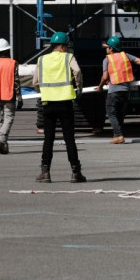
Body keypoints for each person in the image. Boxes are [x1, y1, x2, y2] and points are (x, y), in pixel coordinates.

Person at [32, 32, 86, 183]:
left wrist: (43, 92)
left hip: (48, 103)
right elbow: (77, 71)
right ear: (62, 46)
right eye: (67, 46)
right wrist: (79, 87)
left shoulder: (42, 59)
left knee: (48, 138)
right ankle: (76, 172)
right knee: (69, 138)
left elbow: (35, 81)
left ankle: (45, 172)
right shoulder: (68, 57)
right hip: (65, 103)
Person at [94, 36, 140, 144]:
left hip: (114, 91)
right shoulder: (126, 56)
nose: (106, 49)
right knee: (120, 114)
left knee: (111, 113)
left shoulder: (107, 59)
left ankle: (119, 135)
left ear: (111, 48)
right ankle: (117, 135)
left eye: (107, 47)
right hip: (126, 92)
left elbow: (105, 77)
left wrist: (100, 87)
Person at [0, 38, 23, 154]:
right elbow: (16, 81)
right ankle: (1, 140)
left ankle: (3, 146)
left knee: (1, 120)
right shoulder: (12, 63)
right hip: (9, 95)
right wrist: (20, 97)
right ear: (7, 51)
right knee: (9, 118)